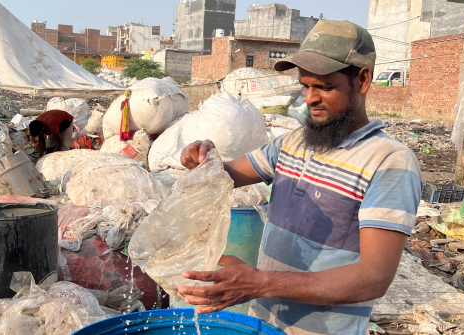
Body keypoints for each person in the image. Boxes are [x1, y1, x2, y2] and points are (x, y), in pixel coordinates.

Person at [178, 20, 422, 335]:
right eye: (305, 86)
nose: (309, 98)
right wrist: (202, 160)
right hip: (264, 324)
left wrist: (260, 283)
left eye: (324, 86)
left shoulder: (389, 162)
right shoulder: (294, 142)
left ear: (362, 80)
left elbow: (373, 278)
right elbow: (225, 176)